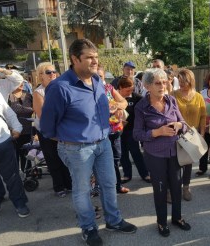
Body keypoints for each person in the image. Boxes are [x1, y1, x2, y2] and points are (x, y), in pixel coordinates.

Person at [40, 39, 137, 245]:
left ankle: (113, 220)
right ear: (75, 59)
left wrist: (117, 112)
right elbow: (48, 126)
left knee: (109, 184)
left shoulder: (97, 81)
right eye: (89, 57)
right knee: (82, 190)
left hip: (104, 143)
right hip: (77, 149)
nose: (95, 61)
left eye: (96, 57)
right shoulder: (60, 87)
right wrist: (70, 140)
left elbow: (104, 108)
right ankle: (89, 227)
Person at [133, 68, 191, 237]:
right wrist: (157, 132)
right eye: (157, 83)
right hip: (155, 155)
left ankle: (177, 218)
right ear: (147, 86)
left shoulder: (171, 100)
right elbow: (137, 134)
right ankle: (161, 222)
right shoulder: (141, 107)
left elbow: (184, 123)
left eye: (164, 82)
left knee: (176, 186)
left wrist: (180, 126)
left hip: (175, 153)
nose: (162, 86)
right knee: (160, 189)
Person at [0, 82, 30, 220]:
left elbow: (7, 110)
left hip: (3, 141)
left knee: (12, 176)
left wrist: (17, 127)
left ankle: (20, 203)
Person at [33, 62, 72, 198]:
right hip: (47, 131)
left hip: (62, 130)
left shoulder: (61, 88)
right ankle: (59, 187)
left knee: (65, 158)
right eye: (48, 72)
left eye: (54, 72)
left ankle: (69, 184)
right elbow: (43, 116)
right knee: (53, 159)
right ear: (41, 76)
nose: (52, 74)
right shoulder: (39, 92)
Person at [173, 68, 206, 201]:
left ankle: (186, 187)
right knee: (174, 163)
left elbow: (203, 116)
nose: (181, 83)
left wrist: (202, 133)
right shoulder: (173, 94)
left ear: (191, 81)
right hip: (175, 134)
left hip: (191, 134)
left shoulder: (198, 97)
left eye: (184, 81)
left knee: (187, 163)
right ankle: (172, 188)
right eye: (179, 80)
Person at [102, 66, 129, 194]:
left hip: (115, 130)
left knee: (116, 159)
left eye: (101, 77)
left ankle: (117, 186)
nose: (99, 79)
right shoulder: (86, 91)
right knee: (103, 162)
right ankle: (103, 188)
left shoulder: (108, 88)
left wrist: (117, 106)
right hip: (99, 134)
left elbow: (124, 102)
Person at [117, 77, 150, 183]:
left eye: (132, 90)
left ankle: (145, 174)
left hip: (133, 130)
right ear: (120, 88)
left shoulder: (137, 98)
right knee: (122, 154)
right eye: (127, 90)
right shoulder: (113, 97)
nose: (130, 92)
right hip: (118, 131)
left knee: (136, 152)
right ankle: (127, 174)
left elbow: (144, 113)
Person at [9, 82, 33, 172]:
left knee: (27, 154)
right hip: (14, 132)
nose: (21, 83)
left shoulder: (29, 96)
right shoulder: (8, 96)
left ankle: (28, 174)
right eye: (17, 82)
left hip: (28, 130)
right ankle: (17, 175)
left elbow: (36, 111)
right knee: (16, 155)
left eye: (22, 81)